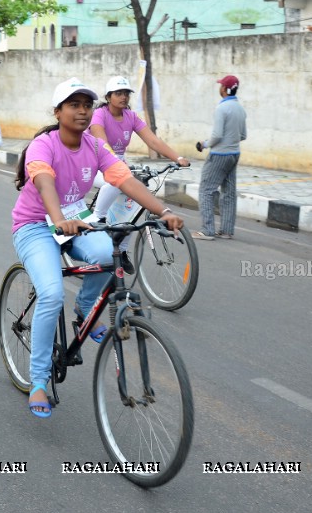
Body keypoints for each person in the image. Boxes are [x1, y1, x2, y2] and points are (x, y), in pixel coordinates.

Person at [11, 78, 184, 419]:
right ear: (58, 111)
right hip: (35, 226)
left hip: (77, 221)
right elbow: (44, 181)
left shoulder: (94, 145)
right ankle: (39, 380)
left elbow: (126, 180)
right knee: (50, 294)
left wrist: (162, 211)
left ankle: (86, 307)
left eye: (87, 104)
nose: (82, 110)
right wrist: (58, 218)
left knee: (109, 256)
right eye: (73, 104)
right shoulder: (42, 145)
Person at [89, 75, 190, 271]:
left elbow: (153, 141)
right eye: (118, 93)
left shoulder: (131, 116)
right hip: (96, 162)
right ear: (109, 97)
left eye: (126, 93)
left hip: (119, 164)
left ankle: (123, 251)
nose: (123, 97)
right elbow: (101, 142)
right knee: (114, 181)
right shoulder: (99, 115)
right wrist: (115, 162)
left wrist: (176, 158)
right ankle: (98, 218)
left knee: (137, 199)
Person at [194, 75, 247, 240]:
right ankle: (226, 230)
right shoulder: (240, 109)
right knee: (229, 192)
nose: (220, 88)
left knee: (206, 190)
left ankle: (208, 230)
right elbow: (243, 135)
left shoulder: (222, 109)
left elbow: (216, 136)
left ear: (224, 89)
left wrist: (203, 144)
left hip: (219, 155)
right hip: (234, 154)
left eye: (221, 86)